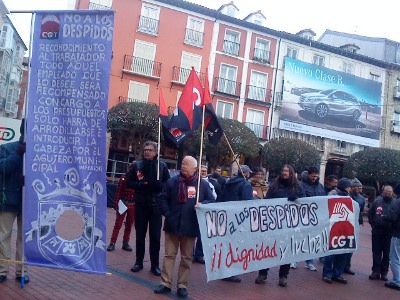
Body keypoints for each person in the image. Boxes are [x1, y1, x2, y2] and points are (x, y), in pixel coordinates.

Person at [154, 156, 214, 298]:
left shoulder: (202, 185)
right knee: (169, 256)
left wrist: (203, 205)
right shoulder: (172, 182)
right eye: (182, 163)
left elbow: (211, 201)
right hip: (172, 226)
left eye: (186, 164)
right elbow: (162, 198)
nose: (183, 166)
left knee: (187, 258)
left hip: (190, 227)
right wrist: (168, 213)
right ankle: (165, 283)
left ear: (195, 168)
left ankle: (182, 285)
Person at [255, 164, 306, 287]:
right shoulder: (274, 185)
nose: (284, 172)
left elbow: (305, 202)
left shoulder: (297, 186)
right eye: (283, 170)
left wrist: (297, 198)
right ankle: (263, 273)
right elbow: (267, 201)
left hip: (289, 224)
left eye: (287, 171)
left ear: (291, 173)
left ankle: (283, 276)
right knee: (267, 248)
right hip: (274, 223)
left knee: (286, 251)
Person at [126, 141, 170, 276]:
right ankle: (138, 262)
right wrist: (141, 185)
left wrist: (159, 185)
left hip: (156, 206)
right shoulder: (137, 165)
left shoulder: (161, 166)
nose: (147, 152)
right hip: (141, 205)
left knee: (155, 237)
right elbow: (129, 182)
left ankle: (154, 264)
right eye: (145, 150)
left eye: (150, 150)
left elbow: (168, 184)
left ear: (156, 152)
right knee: (140, 235)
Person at [0, 120, 29, 284]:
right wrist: (17, 154)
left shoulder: (39, 151)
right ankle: (2, 270)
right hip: (8, 200)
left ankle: (22, 271)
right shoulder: (7, 148)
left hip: (27, 202)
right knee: (3, 236)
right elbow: (2, 169)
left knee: (24, 238)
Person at [219, 165, 254, 283]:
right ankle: (230, 272)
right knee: (236, 246)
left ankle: (223, 270)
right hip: (239, 219)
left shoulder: (229, 182)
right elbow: (247, 202)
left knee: (227, 244)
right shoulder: (246, 185)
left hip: (228, 216)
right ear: (246, 173)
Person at [293, 166, 325, 271]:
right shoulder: (301, 185)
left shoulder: (320, 186)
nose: (314, 178)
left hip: (315, 217)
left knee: (312, 239)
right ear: (308, 174)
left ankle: (310, 262)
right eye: (312, 176)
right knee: (298, 238)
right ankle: (293, 260)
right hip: (302, 216)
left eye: (316, 176)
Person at [322, 178, 352, 284]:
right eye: (348, 186)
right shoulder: (332, 195)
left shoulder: (348, 197)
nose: (350, 188)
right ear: (344, 186)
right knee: (330, 253)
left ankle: (338, 273)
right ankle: (327, 274)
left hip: (344, 228)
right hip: (333, 227)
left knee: (343, 251)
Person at [368, 185, 394, 281]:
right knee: (376, 251)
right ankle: (376, 271)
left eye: (389, 192)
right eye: (386, 192)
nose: (387, 193)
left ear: (392, 193)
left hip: (389, 232)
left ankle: (384, 273)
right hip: (377, 230)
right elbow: (371, 213)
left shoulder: (395, 204)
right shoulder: (377, 201)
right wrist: (373, 224)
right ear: (383, 192)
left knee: (387, 253)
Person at [107, 164, 136, 252]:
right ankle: (112, 242)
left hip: (133, 204)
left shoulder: (139, 178)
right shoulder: (124, 178)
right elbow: (118, 191)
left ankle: (125, 242)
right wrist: (116, 204)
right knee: (118, 224)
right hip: (123, 203)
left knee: (129, 225)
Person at [193, 166, 218, 264]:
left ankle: (199, 255)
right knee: (191, 234)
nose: (203, 172)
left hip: (203, 212)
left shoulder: (209, 184)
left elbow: (214, 197)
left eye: (205, 171)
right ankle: (190, 255)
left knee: (201, 234)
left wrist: (203, 204)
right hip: (191, 211)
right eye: (201, 171)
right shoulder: (193, 181)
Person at [344, 178, 366, 276]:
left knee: (351, 246)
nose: (358, 189)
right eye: (355, 187)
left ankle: (347, 266)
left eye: (359, 187)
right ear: (351, 188)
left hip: (355, 224)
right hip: (346, 223)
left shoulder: (362, 198)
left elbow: (360, 211)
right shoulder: (347, 196)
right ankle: (341, 266)